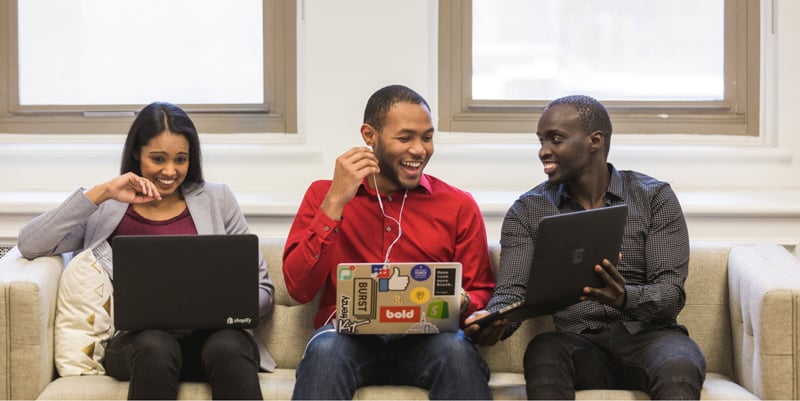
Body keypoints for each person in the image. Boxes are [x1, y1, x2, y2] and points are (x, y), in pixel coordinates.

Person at [17, 101, 274, 400]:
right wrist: (101, 193)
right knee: (156, 345)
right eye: (158, 158)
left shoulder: (218, 199)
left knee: (228, 345)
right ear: (136, 154)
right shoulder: (107, 207)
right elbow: (30, 243)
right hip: (140, 347)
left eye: (181, 159)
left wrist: (226, 309)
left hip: (212, 343)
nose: (170, 171)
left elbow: (262, 287)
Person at [465, 95, 707, 399]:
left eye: (555, 139)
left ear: (594, 141)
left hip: (651, 339)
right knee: (544, 351)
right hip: (579, 343)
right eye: (541, 141)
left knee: (679, 364)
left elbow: (670, 295)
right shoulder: (528, 211)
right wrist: (494, 320)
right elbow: (512, 292)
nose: (543, 151)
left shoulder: (653, 198)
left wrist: (624, 297)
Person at [282, 84, 496, 400]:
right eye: (405, 138)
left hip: (429, 339)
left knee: (457, 352)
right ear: (370, 135)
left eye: (427, 138)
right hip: (347, 339)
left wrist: (463, 300)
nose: (420, 150)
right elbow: (299, 289)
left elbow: (480, 290)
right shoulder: (323, 195)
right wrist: (335, 202)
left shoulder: (458, 205)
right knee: (325, 351)